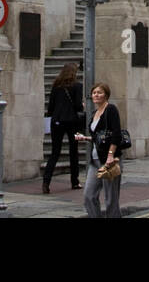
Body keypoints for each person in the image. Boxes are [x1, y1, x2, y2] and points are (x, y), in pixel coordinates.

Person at [76, 81, 122, 217]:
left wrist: (110, 155)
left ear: (106, 95)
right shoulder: (94, 112)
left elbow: (116, 134)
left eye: (99, 92)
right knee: (88, 196)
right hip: (95, 161)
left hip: (109, 161)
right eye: (94, 92)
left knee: (110, 200)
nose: (96, 95)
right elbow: (99, 138)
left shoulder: (111, 109)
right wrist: (85, 138)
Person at [43, 62, 83, 193]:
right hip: (71, 121)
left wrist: (52, 118)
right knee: (73, 152)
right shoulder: (77, 86)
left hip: (57, 121)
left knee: (55, 152)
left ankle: (46, 182)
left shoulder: (56, 86)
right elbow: (77, 106)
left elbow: (50, 107)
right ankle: (75, 182)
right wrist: (82, 105)